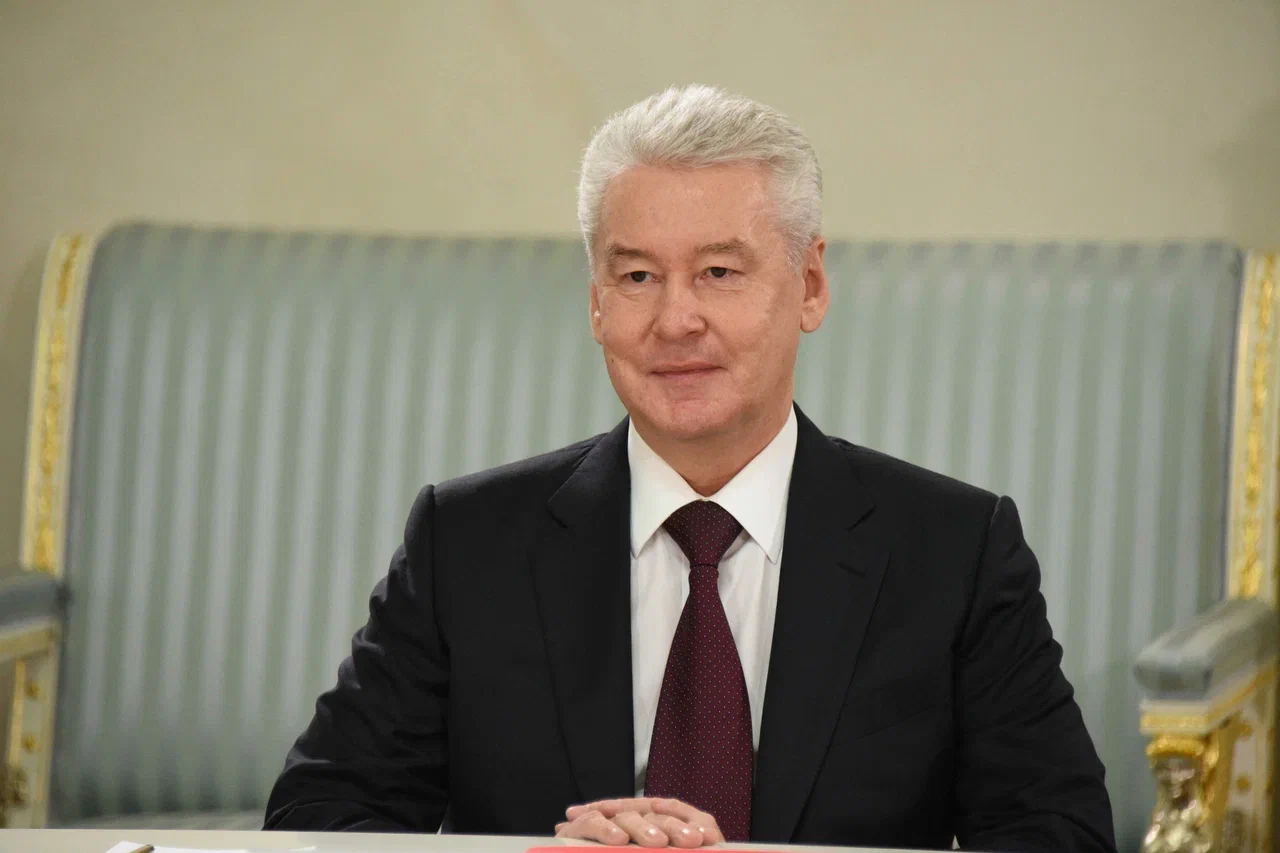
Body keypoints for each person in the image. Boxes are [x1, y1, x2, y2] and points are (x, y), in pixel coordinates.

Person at [264, 84, 1116, 852]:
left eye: (718, 272)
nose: (676, 319)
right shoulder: (467, 543)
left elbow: (1059, 832)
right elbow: (318, 816)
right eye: (637, 275)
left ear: (810, 285)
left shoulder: (955, 551)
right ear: (596, 303)